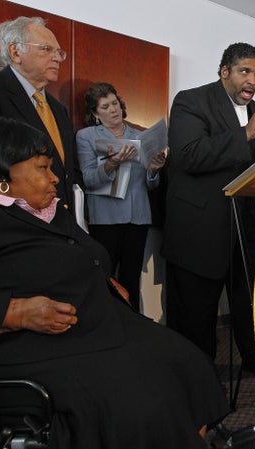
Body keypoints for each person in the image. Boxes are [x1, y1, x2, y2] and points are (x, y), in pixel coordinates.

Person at [0, 116, 250, 449]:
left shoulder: (49, 210)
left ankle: (192, 447)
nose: (55, 178)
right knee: (138, 400)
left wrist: (101, 277)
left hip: (101, 322)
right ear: (2, 176)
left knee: (188, 362)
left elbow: (84, 250)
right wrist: (12, 312)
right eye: (42, 168)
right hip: (39, 345)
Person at [163, 42, 255, 371]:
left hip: (245, 233)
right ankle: (195, 384)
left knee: (248, 310)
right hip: (200, 233)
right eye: (244, 71)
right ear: (224, 72)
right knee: (196, 320)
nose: (251, 80)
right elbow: (189, 155)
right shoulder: (191, 101)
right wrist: (245, 134)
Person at [0, 16, 80, 212]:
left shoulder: (59, 110)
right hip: (9, 218)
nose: (57, 58)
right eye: (46, 49)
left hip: (60, 219)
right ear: (15, 52)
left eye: (59, 52)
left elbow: (69, 171)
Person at [76, 82, 166, 311]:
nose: (113, 109)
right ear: (95, 113)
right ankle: (106, 327)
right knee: (104, 277)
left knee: (131, 277)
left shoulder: (141, 135)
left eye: (115, 103)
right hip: (105, 217)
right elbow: (88, 179)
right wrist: (112, 163)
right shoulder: (85, 136)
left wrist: (154, 168)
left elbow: (150, 183)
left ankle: (133, 328)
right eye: (105, 107)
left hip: (138, 216)